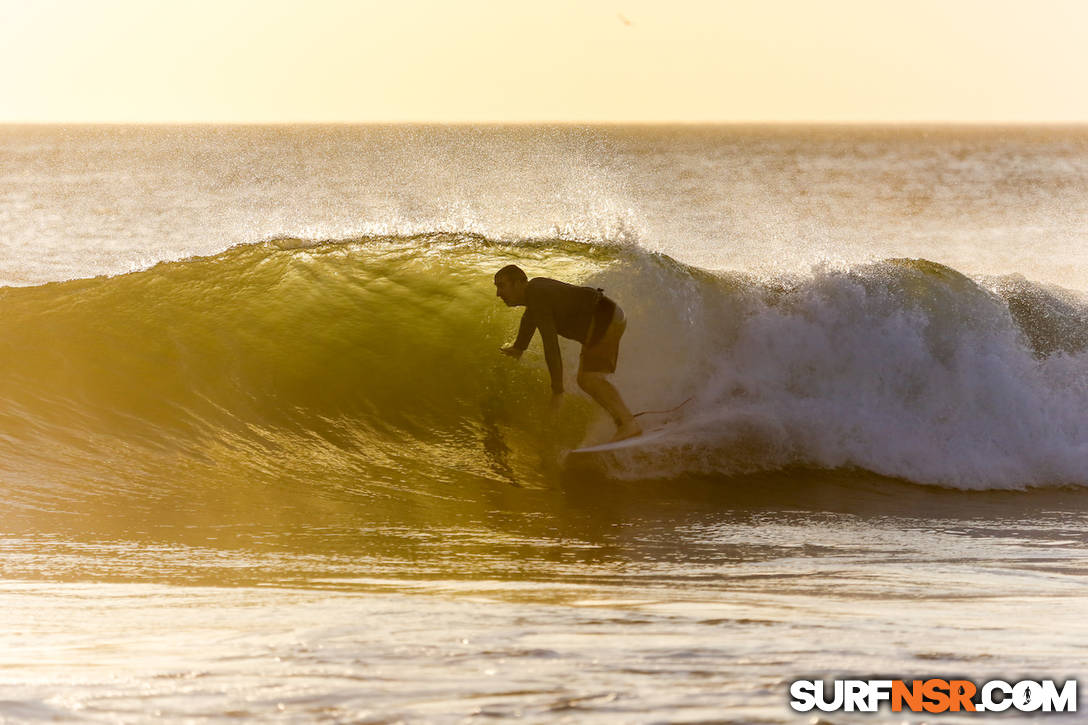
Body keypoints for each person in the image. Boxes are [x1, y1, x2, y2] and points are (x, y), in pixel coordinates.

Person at [494, 264, 641, 442]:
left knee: (589, 379)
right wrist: (519, 347)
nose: (498, 293)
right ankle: (625, 423)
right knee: (588, 380)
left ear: (519, 283)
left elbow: (551, 345)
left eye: (502, 286)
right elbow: (529, 318)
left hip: (604, 318)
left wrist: (557, 391)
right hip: (606, 316)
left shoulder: (536, 293)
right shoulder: (535, 292)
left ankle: (628, 424)